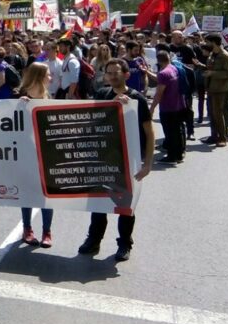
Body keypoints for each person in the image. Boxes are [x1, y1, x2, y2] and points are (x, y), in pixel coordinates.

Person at [78, 58, 155, 262]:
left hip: (129, 161)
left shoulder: (137, 99)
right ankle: (93, 240)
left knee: (126, 206)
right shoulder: (102, 94)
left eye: (116, 72)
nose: (112, 76)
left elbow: (149, 133)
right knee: (98, 203)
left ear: (126, 74)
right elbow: (91, 122)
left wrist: (147, 164)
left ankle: (124, 244)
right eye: (109, 73)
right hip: (103, 159)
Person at [17, 62, 54, 246]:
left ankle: (47, 231)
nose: (51, 78)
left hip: (46, 155)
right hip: (26, 155)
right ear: (39, 77)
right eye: (48, 74)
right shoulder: (19, 99)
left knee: (47, 195)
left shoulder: (49, 99)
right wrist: (18, 108)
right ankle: (27, 228)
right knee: (27, 194)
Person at [150, 50, 186, 163]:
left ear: (158, 61)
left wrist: (152, 108)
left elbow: (159, 93)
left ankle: (172, 156)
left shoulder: (163, 73)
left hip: (168, 107)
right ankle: (180, 154)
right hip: (178, 104)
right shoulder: (173, 68)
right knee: (178, 130)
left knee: (169, 132)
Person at [203, 33, 228, 146]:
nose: (206, 44)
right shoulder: (212, 54)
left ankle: (222, 138)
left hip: (220, 88)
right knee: (212, 113)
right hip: (211, 87)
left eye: (208, 42)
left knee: (218, 114)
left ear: (213, 42)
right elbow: (210, 68)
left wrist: (212, 73)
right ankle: (214, 135)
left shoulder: (225, 55)